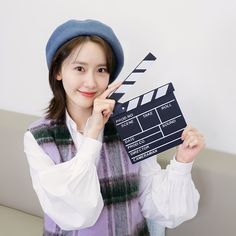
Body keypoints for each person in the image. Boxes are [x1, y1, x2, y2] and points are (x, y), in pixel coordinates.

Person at [24, 19, 205, 236]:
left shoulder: (131, 125)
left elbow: (154, 205)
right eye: (79, 68)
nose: (91, 82)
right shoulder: (38, 137)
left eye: (101, 69)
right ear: (58, 71)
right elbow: (74, 215)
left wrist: (182, 163)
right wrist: (91, 136)